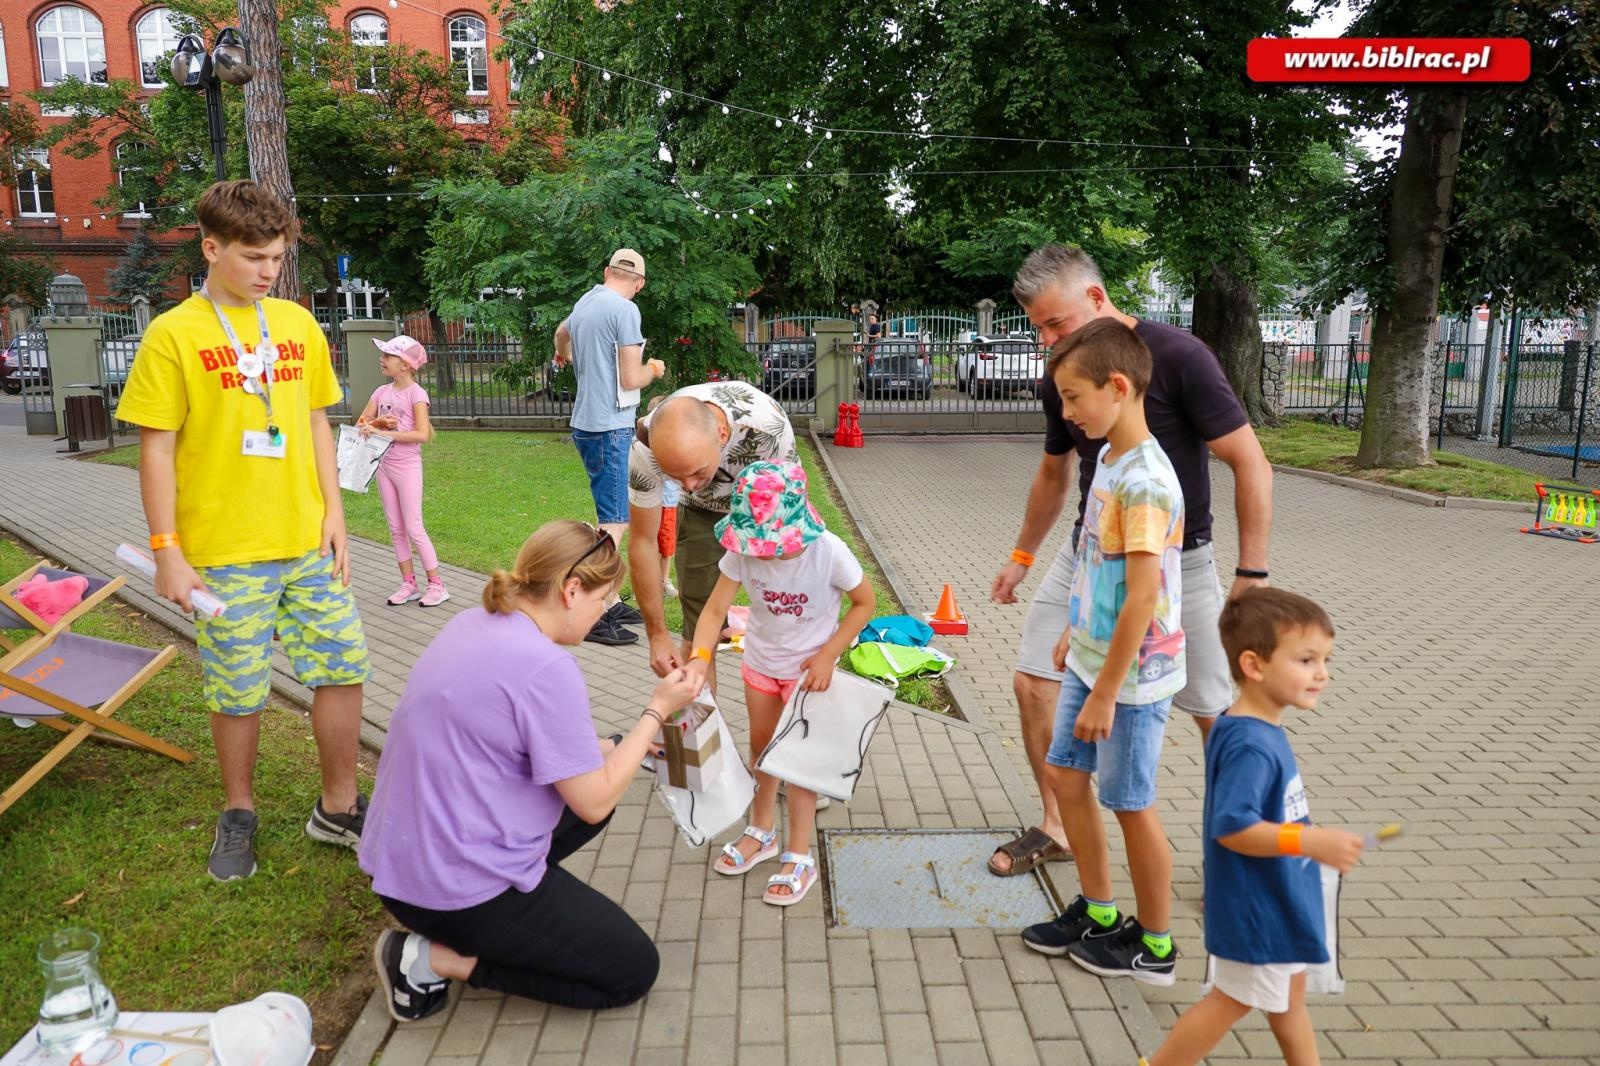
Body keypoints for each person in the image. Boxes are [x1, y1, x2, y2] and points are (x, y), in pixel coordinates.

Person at [987, 243, 1275, 878]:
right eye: (1038, 328)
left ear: (1096, 299)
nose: (1047, 340)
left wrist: (1251, 572)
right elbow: (1053, 471)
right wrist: (1022, 555)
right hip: (1089, 551)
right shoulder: (1064, 371)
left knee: (1212, 711)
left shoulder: (1180, 357)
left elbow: (1249, 461)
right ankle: (1057, 827)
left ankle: (1245, 852)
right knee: (1033, 680)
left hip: (1179, 564)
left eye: (1055, 323)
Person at [114, 179, 370, 881]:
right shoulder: (173, 336)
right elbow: (156, 449)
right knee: (237, 690)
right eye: (254, 256)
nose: (267, 270)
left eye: (277, 257)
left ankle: (339, 807)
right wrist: (168, 551)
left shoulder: (294, 325)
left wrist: (336, 513)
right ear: (211, 247)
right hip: (223, 554)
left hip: (307, 543)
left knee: (343, 667)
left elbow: (317, 419)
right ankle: (239, 811)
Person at [360, 520, 701, 1021]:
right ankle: (432, 960)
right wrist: (655, 712)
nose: (603, 614)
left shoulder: (476, 620)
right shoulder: (547, 667)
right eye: (604, 601)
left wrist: (619, 746)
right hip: (448, 887)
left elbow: (519, 738)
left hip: (405, 859)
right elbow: (595, 798)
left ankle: (516, 917)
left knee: (599, 785)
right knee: (631, 969)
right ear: (570, 591)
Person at [1019, 319, 1185, 985]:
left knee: (1130, 801)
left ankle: (1156, 944)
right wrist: (1076, 628)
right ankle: (1100, 908)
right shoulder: (1110, 460)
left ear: (1118, 388)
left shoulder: (1144, 479)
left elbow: (1143, 597)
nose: (1066, 413)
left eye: (1072, 397)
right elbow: (1100, 564)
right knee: (1065, 776)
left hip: (1134, 679)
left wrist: (1110, 690)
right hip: (1093, 657)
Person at [1141, 588, 1365, 1066]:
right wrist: (1310, 839)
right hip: (1259, 909)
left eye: (1325, 659)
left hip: (1279, 901)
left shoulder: (1249, 727)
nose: (1322, 673)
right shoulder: (1252, 744)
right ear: (1254, 665)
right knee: (1230, 1002)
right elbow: (1233, 826)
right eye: (1306, 660)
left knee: (1289, 1000)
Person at [685, 461, 875, 905]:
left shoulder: (829, 552)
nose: (764, 554)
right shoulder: (743, 551)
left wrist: (830, 654)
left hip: (810, 678)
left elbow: (865, 603)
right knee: (763, 750)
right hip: (760, 665)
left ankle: (798, 854)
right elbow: (713, 612)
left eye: (772, 545)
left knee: (798, 763)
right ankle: (762, 831)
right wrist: (699, 659)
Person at [626, 381, 797, 692]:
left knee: (783, 617)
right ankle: (704, 736)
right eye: (675, 477)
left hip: (764, 508)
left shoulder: (767, 430)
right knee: (698, 635)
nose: (688, 485)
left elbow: (791, 512)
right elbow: (642, 542)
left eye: (696, 471)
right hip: (701, 512)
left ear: (721, 434)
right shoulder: (646, 446)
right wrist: (657, 634)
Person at [553, 248, 666, 646]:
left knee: (609, 514)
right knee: (614, 522)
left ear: (606, 272)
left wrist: (562, 355)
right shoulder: (625, 310)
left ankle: (613, 601)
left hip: (586, 425)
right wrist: (653, 368)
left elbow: (560, 335)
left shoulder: (586, 301)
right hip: (611, 427)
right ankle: (593, 606)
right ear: (639, 284)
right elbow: (632, 378)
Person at [356, 335, 447, 608]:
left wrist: (386, 432)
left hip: (407, 466)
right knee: (396, 528)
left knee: (413, 526)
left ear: (405, 365)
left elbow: (421, 434)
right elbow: (362, 421)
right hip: (384, 465)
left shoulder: (417, 394)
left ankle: (437, 585)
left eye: (387, 356)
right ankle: (409, 583)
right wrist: (377, 422)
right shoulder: (380, 393)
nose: (381, 360)